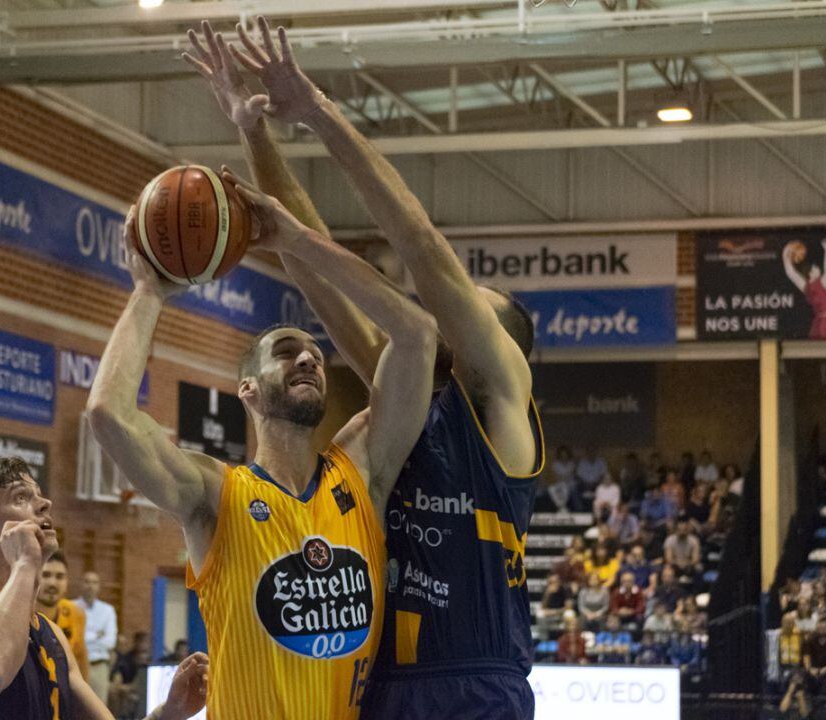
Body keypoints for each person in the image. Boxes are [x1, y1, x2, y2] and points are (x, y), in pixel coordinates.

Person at [184, 19, 542, 720]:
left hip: (473, 682)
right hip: (381, 687)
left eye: (476, 304)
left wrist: (319, 112)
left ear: (507, 347)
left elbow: (419, 245)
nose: (457, 298)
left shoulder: (501, 400)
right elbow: (306, 259)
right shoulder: (408, 392)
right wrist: (253, 128)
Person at [89, 111, 436, 720]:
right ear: (247, 390)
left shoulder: (363, 467)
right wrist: (148, 293)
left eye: (316, 352)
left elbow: (417, 336)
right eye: (285, 351)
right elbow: (110, 417)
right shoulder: (214, 495)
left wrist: (299, 242)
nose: (308, 356)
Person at [0, 458, 207, 720]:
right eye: (21, 497)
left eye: (39, 493)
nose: (45, 503)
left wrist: (170, 711)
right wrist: (24, 565)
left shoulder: (51, 633)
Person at [35, 552, 89, 678]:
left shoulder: (76, 613)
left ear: (67, 582)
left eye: (59, 576)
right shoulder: (19, 614)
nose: (52, 583)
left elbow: (81, 661)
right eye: (46, 575)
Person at [76, 570, 118, 703]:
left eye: (94, 582)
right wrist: (97, 635)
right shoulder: (70, 607)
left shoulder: (107, 610)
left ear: (99, 586)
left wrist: (84, 637)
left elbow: (110, 642)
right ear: (81, 584)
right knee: (74, 708)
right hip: (76, 667)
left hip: (99, 667)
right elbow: (72, 641)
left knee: (99, 710)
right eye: (87, 581)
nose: (90, 586)